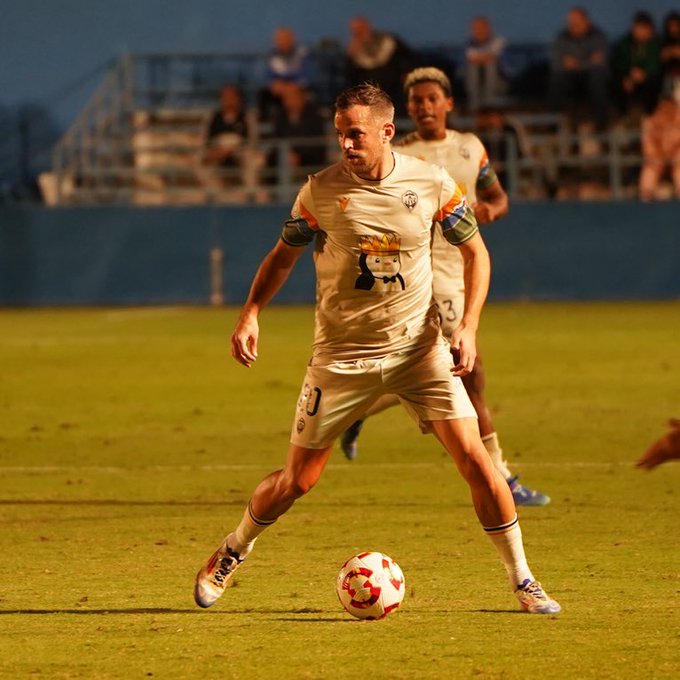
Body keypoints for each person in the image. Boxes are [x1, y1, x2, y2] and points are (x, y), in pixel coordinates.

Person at [193, 83, 560, 616]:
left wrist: (470, 327)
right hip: (341, 356)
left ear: (387, 132)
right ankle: (233, 549)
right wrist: (250, 312)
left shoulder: (431, 183)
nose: (346, 143)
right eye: (341, 133)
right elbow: (281, 257)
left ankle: (523, 580)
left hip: (419, 351)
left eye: (356, 134)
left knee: (480, 463)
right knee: (299, 480)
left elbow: (476, 253)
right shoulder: (320, 191)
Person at [339, 68, 550, 507]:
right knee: (468, 374)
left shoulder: (469, 148)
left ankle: (356, 411)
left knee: (436, 370)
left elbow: (498, 197)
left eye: (432, 98)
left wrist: (488, 211)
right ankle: (501, 476)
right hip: (413, 275)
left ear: (448, 103)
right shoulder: (398, 152)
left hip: (457, 270)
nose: (424, 106)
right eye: (416, 100)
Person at [548, 6, 610, 131]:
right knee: (556, 81)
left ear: (586, 21)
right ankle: (554, 125)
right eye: (571, 21)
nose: (573, 25)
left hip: (591, 79)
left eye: (577, 21)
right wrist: (587, 61)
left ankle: (602, 125)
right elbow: (557, 64)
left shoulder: (598, 37)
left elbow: (601, 62)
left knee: (598, 80)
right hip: (570, 79)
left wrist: (577, 63)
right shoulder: (562, 38)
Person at [198, 85, 263, 200]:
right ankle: (213, 195)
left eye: (232, 97)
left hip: (240, 152)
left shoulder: (247, 117)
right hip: (217, 151)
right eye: (225, 98)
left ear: (238, 99)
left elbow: (252, 140)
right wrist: (215, 152)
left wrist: (230, 149)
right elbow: (205, 141)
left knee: (254, 160)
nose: (229, 101)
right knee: (200, 161)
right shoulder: (212, 117)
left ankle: (250, 195)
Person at [345, 16, 417, 114]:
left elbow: (408, 56)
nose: (359, 33)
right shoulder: (355, 50)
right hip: (370, 90)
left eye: (361, 29)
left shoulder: (388, 40)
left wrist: (408, 72)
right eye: (355, 31)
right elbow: (350, 74)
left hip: (394, 85)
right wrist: (352, 54)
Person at [266, 82, 327, 183]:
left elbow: (317, 144)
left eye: (292, 97)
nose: (288, 101)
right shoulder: (280, 117)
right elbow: (275, 140)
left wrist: (299, 155)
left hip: (309, 160)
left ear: (301, 98)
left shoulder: (314, 117)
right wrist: (287, 154)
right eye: (286, 98)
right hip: (284, 158)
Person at [611, 11, 662, 121]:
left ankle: (650, 117)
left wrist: (644, 73)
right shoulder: (625, 43)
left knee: (652, 86)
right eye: (637, 28)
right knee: (616, 84)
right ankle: (622, 119)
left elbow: (655, 64)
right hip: (630, 79)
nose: (640, 32)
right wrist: (628, 76)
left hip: (650, 79)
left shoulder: (656, 43)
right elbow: (621, 62)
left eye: (644, 29)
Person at [260, 27, 313, 123]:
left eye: (286, 39)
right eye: (280, 40)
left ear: (293, 39)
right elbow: (269, 78)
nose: (283, 42)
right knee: (263, 95)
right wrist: (281, 88)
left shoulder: (303, 54)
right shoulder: (272, 56)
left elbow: (307, 76)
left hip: (299, 89)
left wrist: (293, 88)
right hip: (280, 91)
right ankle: (268, 123)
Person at [638, 80, 680, 200]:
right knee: (651, 167)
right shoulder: (650, 117)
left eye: (669, 100)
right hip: (657, 154)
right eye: (664, 100)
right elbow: (648, 142)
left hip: (677, 153)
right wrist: (656, 155)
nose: (666, 104)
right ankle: (646, 197)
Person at [464, 16, 509, 112]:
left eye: (481, 28)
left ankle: (490, 104)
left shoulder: (498, 41)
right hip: (477, 84)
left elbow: (493, 58)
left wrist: (483, 58)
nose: (478, 32)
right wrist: (485, 58)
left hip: (500, 83)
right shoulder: (469, 44)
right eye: (475, 29)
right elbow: (471, 58)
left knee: (490, 66)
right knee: (473, 67)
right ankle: (474, 104)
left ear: (488, 28)